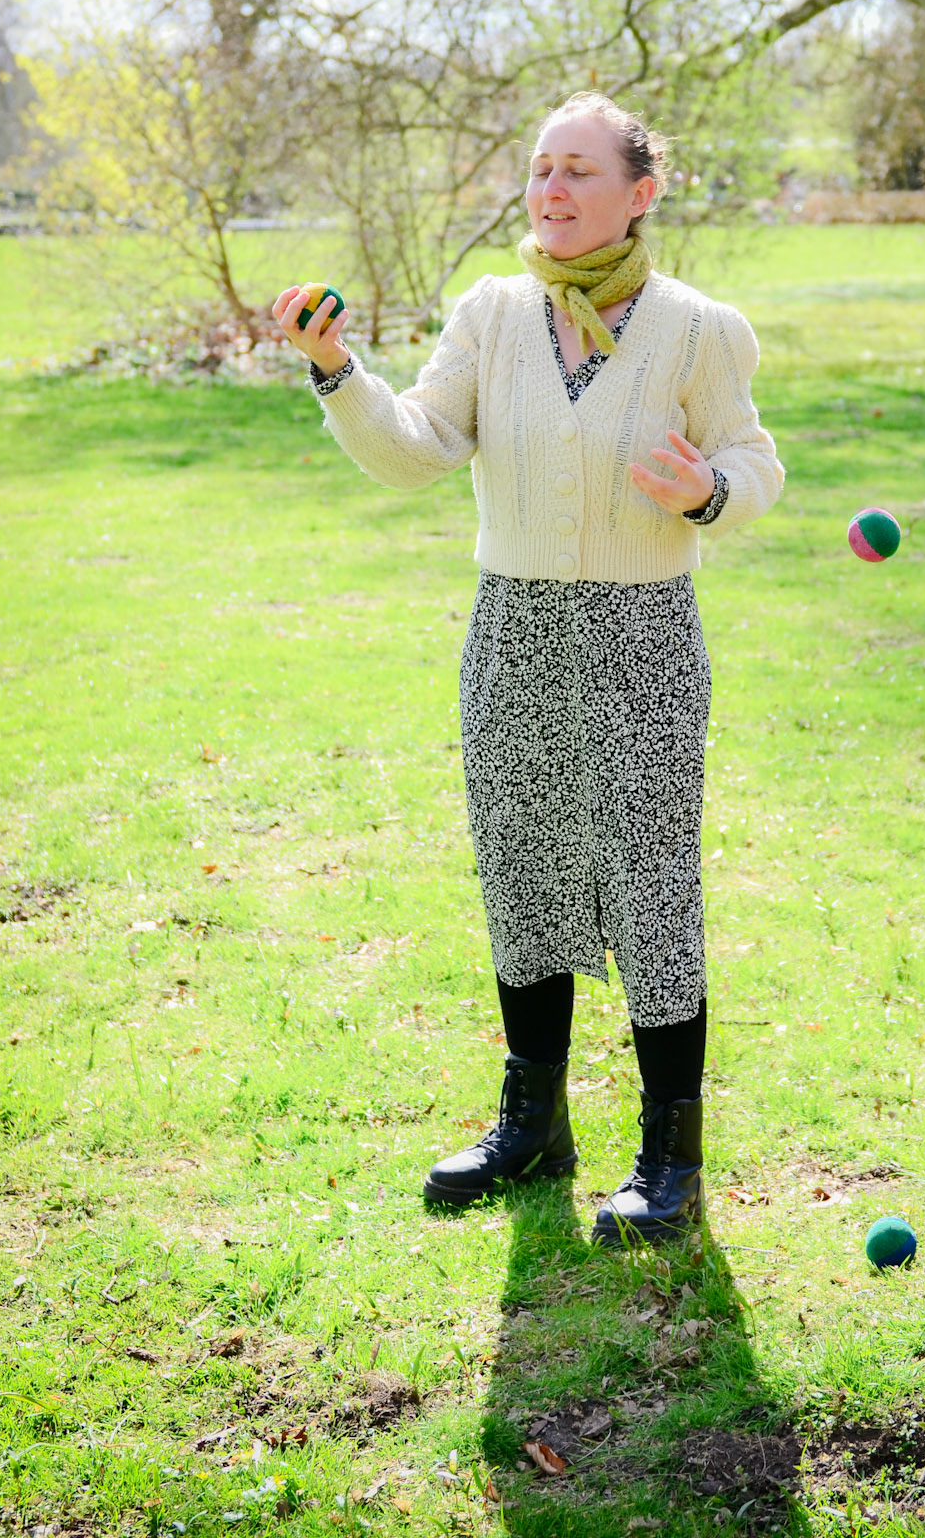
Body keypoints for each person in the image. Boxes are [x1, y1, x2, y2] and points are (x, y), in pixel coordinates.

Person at [273, 92, 783, 1242]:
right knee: (523, 870)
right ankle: (533, 1125)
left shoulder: (699, 328)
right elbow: (414, 448)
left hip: (645, 636)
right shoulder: (493, 313)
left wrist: (707, 489)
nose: (552, 189)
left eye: (579, 170)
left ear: (640, 192)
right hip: (514, 630)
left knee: (650, 887)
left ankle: (670, 1154)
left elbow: (755, 460)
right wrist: (336, 367)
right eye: (542, 167)